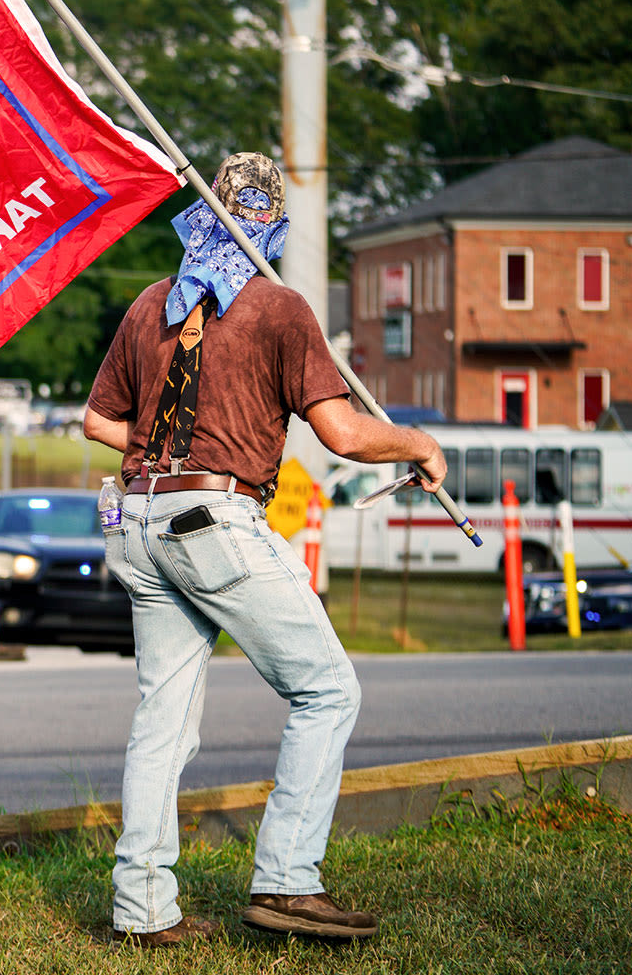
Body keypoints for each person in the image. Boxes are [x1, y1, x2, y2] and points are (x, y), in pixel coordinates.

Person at [82, 152, 446, 948]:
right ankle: (286, 883)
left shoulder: (151, 304)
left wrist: (158, 445)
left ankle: (142, 910)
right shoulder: (279, 308)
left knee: (163, 722)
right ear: (270, 227)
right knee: (327, 690)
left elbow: (100, 423)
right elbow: (344, 435)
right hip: (214, 520)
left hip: (137, 524)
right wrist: (418, 442)